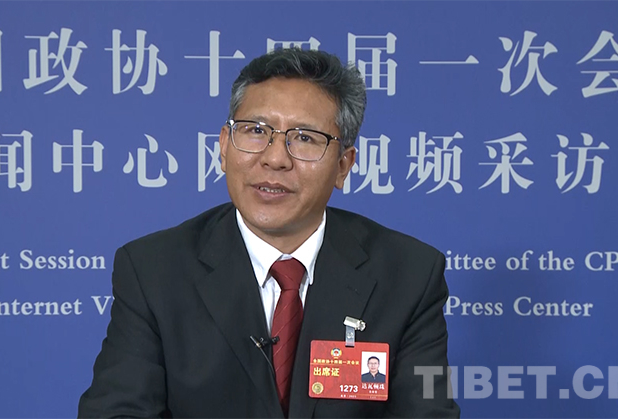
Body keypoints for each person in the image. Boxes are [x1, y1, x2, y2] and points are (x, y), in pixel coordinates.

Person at [78, 48, 459, 418]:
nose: (275, 158)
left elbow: (429, 410)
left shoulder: (410, 275)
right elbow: (117, 411)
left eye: (305, 138)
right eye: (256, 131)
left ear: (343, 165)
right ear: (224, 147)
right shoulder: (153, 270)